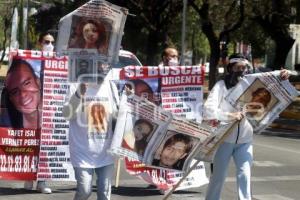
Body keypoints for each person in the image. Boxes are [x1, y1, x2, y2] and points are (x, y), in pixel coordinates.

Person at [203, 53, 289, 200]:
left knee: (245, 175)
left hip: (245, 141)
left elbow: (275, 81)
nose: (241, 70)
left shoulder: (254, 85)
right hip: (224, 139)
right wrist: (229, 116)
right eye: (237, 67)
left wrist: (284, 75)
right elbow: (208, 109)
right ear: (230, 68)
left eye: (244, 67)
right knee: (218, 177)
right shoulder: (221, 85)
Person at [62, 73, 119, 200]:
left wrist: (128, 99)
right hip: (82, 150)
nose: (103, 68)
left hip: (106, 151)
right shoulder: (75, 84)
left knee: (104, 193)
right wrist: (78, 94)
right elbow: (67, 115)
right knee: (85, 191)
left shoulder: (111, 86)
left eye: (106, 65)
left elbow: (117, 116)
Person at [1, 58, 52, 194]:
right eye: (15, 91)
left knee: (43, 147)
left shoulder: (51, 111)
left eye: (27, 83)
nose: (23, 95)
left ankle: (42, 181)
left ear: (38, 82)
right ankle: (28, 177)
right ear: (10, 97)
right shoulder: (10, 122)